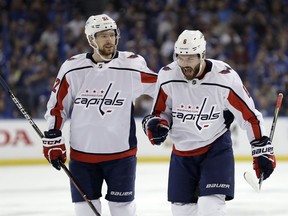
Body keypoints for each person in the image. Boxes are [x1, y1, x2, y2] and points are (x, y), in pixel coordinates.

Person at [142, 30, 276, 216]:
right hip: (181, 153)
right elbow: (159, 112)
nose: (185, 64)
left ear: (202, 55)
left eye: (190, 58)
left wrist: (261, 147)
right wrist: (157, 124)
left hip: (215, 149)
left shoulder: (224, 78)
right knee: (181, 211)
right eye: (181, 57)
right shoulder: (167, 76)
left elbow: (249, 116)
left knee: (210, 207)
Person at [42, 14, 157, 216]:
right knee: (84, 211)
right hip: (82, 157)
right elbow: (57, 107)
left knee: (123, 211)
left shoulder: (131, 65)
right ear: (90, 40)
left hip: (121, 155)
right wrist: (53, 136)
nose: (109, 40)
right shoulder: (72, 69)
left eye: (112, 34)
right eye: (102, 35)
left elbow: (164, 88)